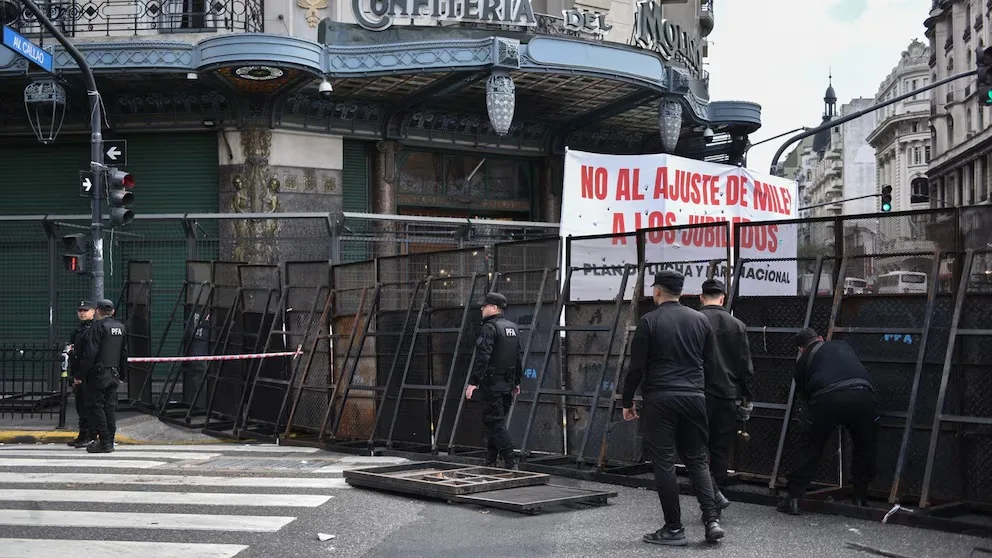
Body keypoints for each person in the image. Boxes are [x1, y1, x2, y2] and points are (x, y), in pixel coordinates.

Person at [621, 270, 724, 546]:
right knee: (697, 459)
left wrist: (627, 401)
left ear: (657, 291)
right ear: (682, 292)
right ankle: (711, 520)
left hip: (661, 398)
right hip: (694, 396)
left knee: (664, 462)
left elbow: (636, 369)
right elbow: (711, 364)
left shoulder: (649, 321)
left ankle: (674, 528)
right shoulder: (700, 320)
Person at [777, 327, 878, 515]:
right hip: (863, 394)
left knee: (810, 447)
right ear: (821, 338)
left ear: (800, 349)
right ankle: (860, 497)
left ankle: (794, 498)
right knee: (865, 445)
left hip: (827, 398)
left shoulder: (802, 362)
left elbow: (805, 396)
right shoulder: (842, 344)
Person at [697, 278, 755, 514]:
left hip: (698, 394)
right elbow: (746, 367)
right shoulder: (737, 325)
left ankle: (708, 497)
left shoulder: (694, 321)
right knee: (720, 451)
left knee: (695, 449)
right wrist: (746, 398)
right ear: (723, 298)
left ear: (701, 297)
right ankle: (714, 504)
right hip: (727, 396)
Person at [465, 292, 523, 470]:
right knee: (494, 422)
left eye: (485, 305)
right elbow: (518, 357)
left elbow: (483, 356)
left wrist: (474, 382)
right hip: (507, 384)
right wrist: (516, 382)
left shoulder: (489, 328)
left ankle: (510, 460)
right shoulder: (511, 327)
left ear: (494, 307)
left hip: (492, 384)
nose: (482, 308)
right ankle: (490, 460)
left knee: (494, 422)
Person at [79, 298, 128, 454]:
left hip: (99, 373)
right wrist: (123, 374)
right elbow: (124, 352)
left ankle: (105, 441)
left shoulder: (97, 327)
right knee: (109, 407)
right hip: (114, 372)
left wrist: (82, 374)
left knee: (97, 407)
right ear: (112, 311)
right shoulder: (121, 327)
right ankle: (110, 440)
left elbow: (91, 353)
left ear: (98, 311)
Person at [66, 300, 96, 448]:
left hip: (89, 374)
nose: (82, 313)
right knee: (81, 405)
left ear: (93, 312)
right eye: (80, 311)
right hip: (79, 372)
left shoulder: (93, 329)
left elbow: (88, 355)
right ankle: (84, 434)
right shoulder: (78, 331)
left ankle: (89, 435)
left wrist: (80, 376)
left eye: (85, 310)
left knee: (87, 406)